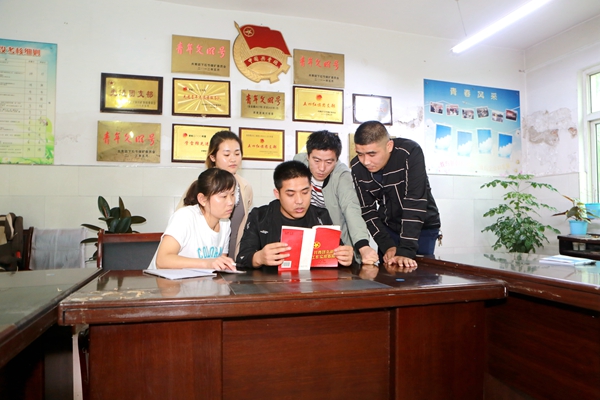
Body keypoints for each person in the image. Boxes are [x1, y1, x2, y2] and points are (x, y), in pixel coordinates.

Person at [351, 120, 441, 269]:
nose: (366, 161)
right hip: (389, 230)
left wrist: (406, 249)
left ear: (389, 146)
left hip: (421, 229)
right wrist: (387, 245)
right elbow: (367, 210)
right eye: (360, 154)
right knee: (388, 275)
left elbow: (415, 201)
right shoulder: (357, 167)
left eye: (372, 154)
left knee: (420, 275)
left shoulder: (409, 153)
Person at [236, 160, 354, 268]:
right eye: (291, 194)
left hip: (313, 283)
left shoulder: (321, 216)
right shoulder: (260, 216)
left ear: (311, 189)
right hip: (271, 283)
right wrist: (259, 258)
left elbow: (338, 255)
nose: (299, 201)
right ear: (277, 194)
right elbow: (242, 258)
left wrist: (346, 257)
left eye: (305, 192)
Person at [293, 130, 378, 265]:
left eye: (329, 162)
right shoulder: (298, 163)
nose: (322, 168)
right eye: (316, 160)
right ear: (308, 156)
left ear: (336, 160)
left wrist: (363, 246)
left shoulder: (342, 175)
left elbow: (351, 208)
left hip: (336, 241)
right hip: (306, 237)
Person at [177, 131, 253, 260]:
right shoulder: (200, 185)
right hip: (199, 259)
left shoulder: (245, 187)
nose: (233, 159)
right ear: (212, 157)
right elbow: (181, 224)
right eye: (226, 154)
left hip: (230, 257)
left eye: (237, 153)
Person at [149, 168, 237, 270]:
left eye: (232, 195)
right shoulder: (184, 217)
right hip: (162, 279)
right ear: (202, 199)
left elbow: (220, 263)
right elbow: (162, 261)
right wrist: (207, 264)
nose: (231, 202)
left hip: (198, 279)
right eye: (224, 196)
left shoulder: (225, 223)